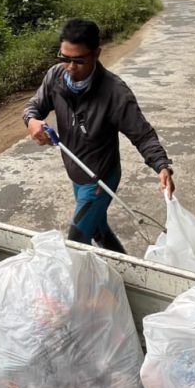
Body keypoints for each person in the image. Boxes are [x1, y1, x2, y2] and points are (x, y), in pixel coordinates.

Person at [24, 17, 174, 253]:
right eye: (65, 58)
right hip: (76, 172)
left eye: (79, 60)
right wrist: (32, 122)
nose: (70, 67)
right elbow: (34, 107)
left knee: (76, 241)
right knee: (96, 229)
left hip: (100, 178)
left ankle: (89, 288)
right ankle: (126, 272)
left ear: (96, 54)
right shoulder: (55, 77)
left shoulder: (114, 92)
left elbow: (143, 135)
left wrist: (161, 165)